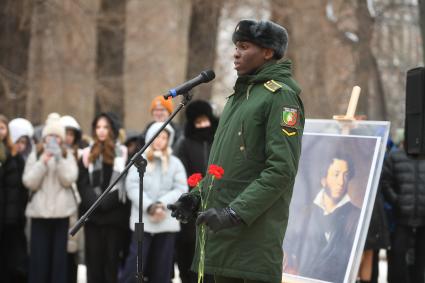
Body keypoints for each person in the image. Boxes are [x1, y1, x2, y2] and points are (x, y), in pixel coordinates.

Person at [168, 19, 304, 283]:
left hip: (253, 241)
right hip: (222, 239)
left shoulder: (280, 97)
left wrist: (235, 213)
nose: (235, 52)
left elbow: (281, 170)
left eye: (244, 46)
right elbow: (223, 168)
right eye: (235, 46)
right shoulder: (236, 99)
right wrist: (195, 197)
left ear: (268, 52)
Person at [119, 122, 187, 283]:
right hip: (143, 220)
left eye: (164, 137)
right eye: (157, 136)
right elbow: (132, 186)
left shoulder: (175, 163)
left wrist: (161, 204)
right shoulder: (140, 160)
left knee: (162, 268)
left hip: (166, 221)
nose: (160, 140)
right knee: (135, 265)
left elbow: (181, 188)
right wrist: (149, 206)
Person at [285, 154, 360, 282]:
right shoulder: (304, 212)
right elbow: (289, 245)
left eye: (346, 175)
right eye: (336, 174)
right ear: (323, 179)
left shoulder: (355, 216)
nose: (341, 182)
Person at [23, 113, 79, 283]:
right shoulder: (36, 155)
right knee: (39, 261)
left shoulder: (67, 156)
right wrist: (43, 162)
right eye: (50, 136)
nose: (53, 140)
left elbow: (69, 178)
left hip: (61, 216)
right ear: (44, 138)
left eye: (57, 136)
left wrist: (58, 159)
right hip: (40, 215)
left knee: (58, 262)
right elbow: (29, 182)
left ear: (61, 139)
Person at [77, 112, 129, 283]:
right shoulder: (86, 154)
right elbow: (83, 183)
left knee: (111, 263)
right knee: (94, 264)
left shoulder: (121, 153)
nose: (101, 131)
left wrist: (105, 201)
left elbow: (123, 182)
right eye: (98, 127)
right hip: (92, 217)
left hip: (114, 218)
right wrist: (95, 202)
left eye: (105, 127)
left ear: (112, 130)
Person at [174, 100, 218, 283]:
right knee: (191, 257)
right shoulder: (184, 145)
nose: (202, 126)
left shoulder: (218, 141)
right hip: (192, 207)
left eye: (205, 121)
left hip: (215, 205)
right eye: (198, 122)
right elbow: (180, 173)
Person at [381, 137, 425, 283]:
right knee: (397, 258)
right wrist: (397, 201)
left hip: (423, 220)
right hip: (400, 219)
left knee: (421, 262)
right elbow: (386, 183)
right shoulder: (394, 156)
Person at [0, 114, 28, 283]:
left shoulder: (14, 154)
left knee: (8, 259)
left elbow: (20, 186)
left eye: (2, 127)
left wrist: (17, 214)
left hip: (11, 218)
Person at [60, 115, 83, 283]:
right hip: (56, 210)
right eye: (65, 133)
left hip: (74, 210)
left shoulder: (80, 155)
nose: (68, 137)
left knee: (71, 254)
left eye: (71, 134)